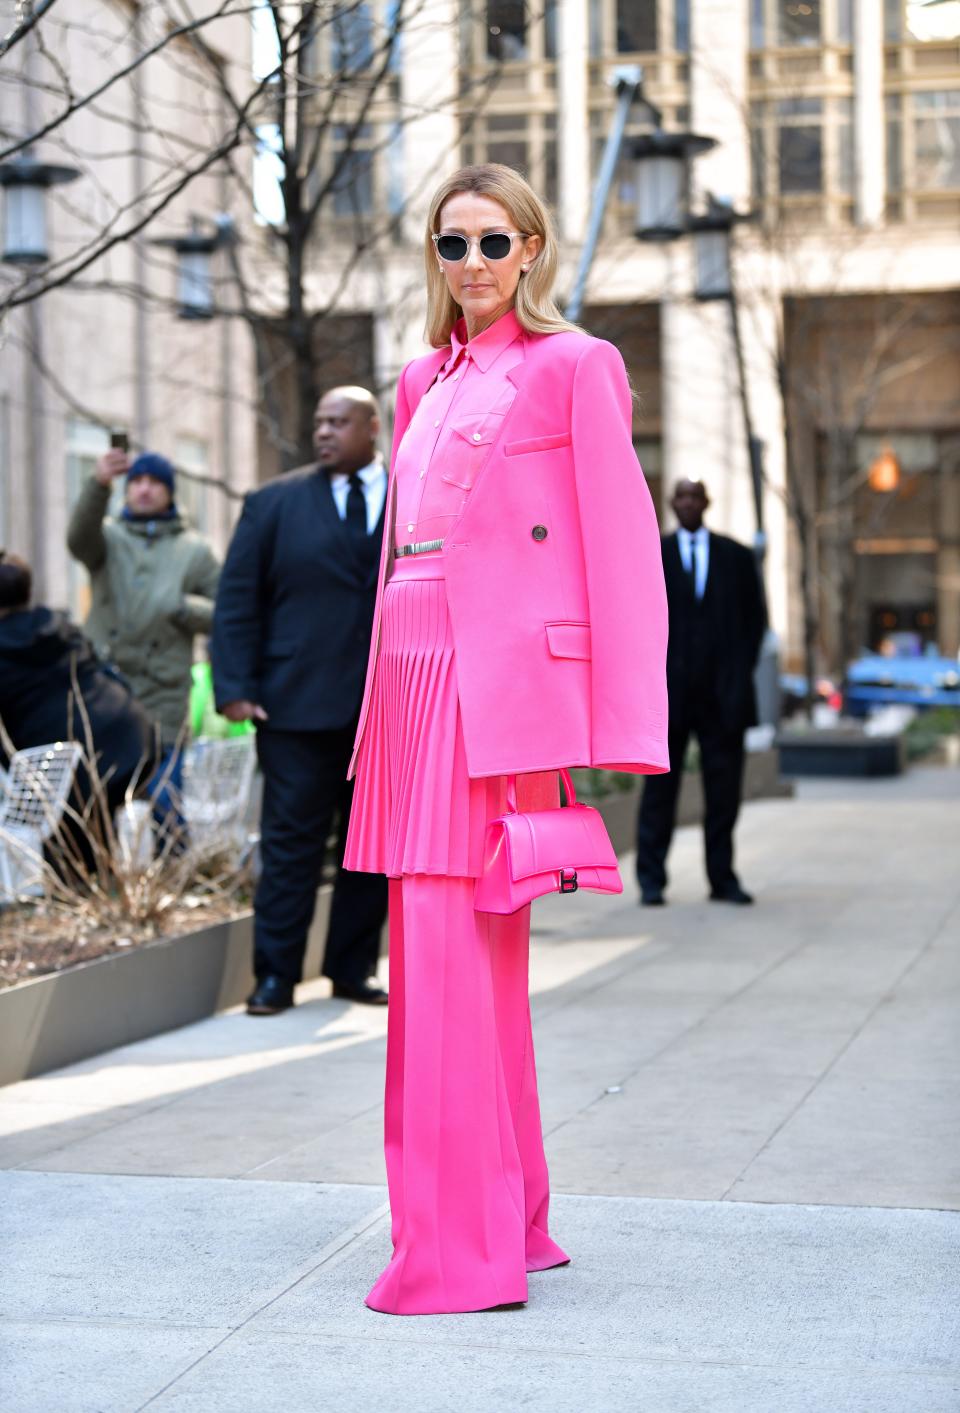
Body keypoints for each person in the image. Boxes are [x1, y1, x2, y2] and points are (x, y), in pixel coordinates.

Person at [342, 164, 668, 1316]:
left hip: (497, 695)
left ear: (530, 247)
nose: (471, 264)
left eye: (492, 242)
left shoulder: (576, 366)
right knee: (447, 963)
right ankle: (511, 1222)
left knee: (449, 964)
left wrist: (621, 727)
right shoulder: (421, 377)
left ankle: (459, 1254)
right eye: (450, 245)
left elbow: (622, 550)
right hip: (411, 675)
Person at [210, 387, 390, 1014]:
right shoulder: (273, 503)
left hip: (386, 710)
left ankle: (351, 969)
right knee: (290, 847)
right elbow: (237, 601)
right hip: (293, 710)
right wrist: (234, 687)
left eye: (339, 423)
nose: (324, 432)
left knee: (370, 850)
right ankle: (275, 978)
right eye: (318, 422)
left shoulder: (411, 501)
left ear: (373, 428)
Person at [635, 479, 766, 907]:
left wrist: (736, 677)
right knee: (659, 793)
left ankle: (722, 878)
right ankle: (651, 880)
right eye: (681, 496)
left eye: (695, 496)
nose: (688, 503)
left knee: (724, 794)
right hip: (668, 699)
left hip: (722, 699)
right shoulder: (653, 555)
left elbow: (754, 625)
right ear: (672, 504)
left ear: (706, 503)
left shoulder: (738, 558)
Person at [66, 449, 221, 779]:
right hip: (105, 689)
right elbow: (78, 540)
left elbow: (224, 613)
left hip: (163, 696)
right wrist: (99, 483)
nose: (144, 489)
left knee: (166, 807)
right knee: (99, 805)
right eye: (136, 481)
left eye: (154, 482)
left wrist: (182, 607)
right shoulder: (108, 536)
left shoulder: (195, 549)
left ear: (169, 492)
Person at [0, 551, 158, 825]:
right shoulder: (58, 627)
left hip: (75, 768)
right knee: (110, 830)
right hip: (133, 737)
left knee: (68, 842)